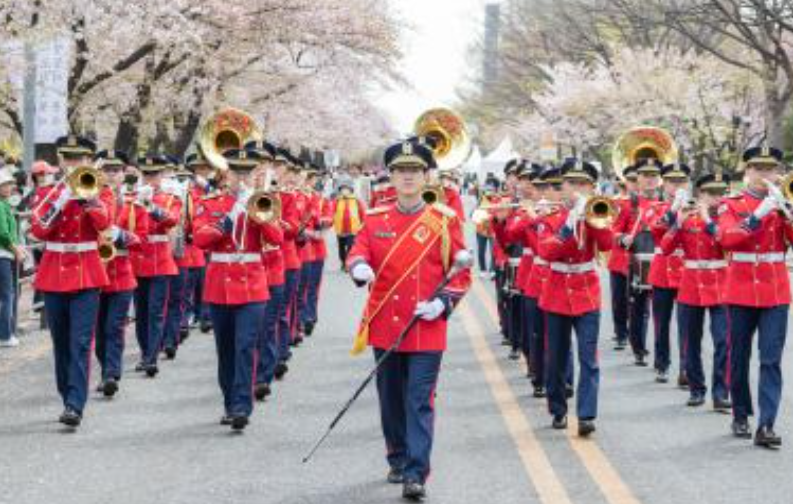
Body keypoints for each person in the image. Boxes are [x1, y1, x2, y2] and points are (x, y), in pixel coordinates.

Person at [346, 139, 470, 501]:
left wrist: (443, 304)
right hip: (386, 321)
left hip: (426, 325)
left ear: (427, 175)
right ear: (391, 176)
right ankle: (397, 457)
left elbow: (460, 271)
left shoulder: (443, 221)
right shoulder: (375, 218)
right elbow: (357, 251)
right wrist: (359, 266)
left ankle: (416, 472)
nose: (408, 178)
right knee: (391, 399)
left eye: (415, 171)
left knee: (419, 399)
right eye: (401, 171)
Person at [193, 148, 283, 431]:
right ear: (226, 174)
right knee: (226, 349)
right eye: (236, 172)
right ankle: (230, 403)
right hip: (220, 282)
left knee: (245, 346)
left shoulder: (262, 202)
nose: (241, 177)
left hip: (253, 284)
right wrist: (232, 214)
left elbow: (277, 238)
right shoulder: (210, 203)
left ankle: (242, 406)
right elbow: (201, 239)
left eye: (247, 172)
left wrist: (259, 213)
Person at [30, 134, 110, 427]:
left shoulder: (98, 190)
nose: (74, 163)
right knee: (61, 342)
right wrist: (61, 201)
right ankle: (67, 395)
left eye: (80, 158)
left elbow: (106, 225)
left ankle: (75, 404)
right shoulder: (48, 193)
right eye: (70, 158)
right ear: (62, 160)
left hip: (86, 273)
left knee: (79, 342)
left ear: (89, 161)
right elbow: (38, 231)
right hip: (54, 273)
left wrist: (89, 201)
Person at [717, 143, 793, 448]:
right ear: (747, 171)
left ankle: (766, 424)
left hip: (775, 289)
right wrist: (759, 215)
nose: (765, 174)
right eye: (758, 168)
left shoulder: (784, 201)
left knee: (771, 359)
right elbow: (727, 238)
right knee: (739, 356)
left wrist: (786, 212)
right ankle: (740, 413)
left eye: (770, 168)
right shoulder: (731, 203)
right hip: (740, 287)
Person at [537, 158, 612, 437]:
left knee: (588, 358)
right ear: (563, 186)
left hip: (586, 292)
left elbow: (607, 245)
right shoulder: (550, 218)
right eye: (573, 184)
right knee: (556, 357)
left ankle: (586, 414)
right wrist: (569, 224)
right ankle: (558, 408)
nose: (578, 190)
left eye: (584, 185)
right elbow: (547, 252)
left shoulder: (596, 215)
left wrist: (592, 220)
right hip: (556, 291)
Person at [659, 171, 730, 411]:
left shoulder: (727, 219)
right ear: (701, 194)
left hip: (721, 283)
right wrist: (678, 222)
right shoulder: (688, 218)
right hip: (690, 284)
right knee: (691, 341)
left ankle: (721, 392)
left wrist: (708, 221)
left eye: (721, 193)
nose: (716, 198)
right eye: (711, 193)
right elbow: (666, 248)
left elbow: (727, 244)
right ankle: (697, 389)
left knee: (723, 341)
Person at [94, 150, 148, 397]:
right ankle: (106, 367)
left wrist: (120, 235)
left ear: (124, 172)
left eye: (116, 170)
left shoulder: (133, 202)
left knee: (114, 326)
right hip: (95, 272)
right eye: (107, 170)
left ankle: (111, 374)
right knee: (98, 328)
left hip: (122, 272)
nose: (111, 174)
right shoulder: (91, 197)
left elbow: (142, 240)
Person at [130, 154, 181, 378]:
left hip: (160, 259)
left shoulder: (170, 198)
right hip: (138, 258)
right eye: (147, 174)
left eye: (155, 174)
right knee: (141, 312)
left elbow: (172, 220)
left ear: (161, 175)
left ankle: (152, 357)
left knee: (156, 311)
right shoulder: (131, 198)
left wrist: (150, 206)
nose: (151, 178)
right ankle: (144, 353)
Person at [612, 158, 662, 366]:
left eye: (653, 176)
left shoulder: (666, 203)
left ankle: (662, 355)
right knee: (638, 307)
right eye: (645, 176)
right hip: (635, 261)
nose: (649, 180)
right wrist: (624, 239)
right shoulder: (628, 205)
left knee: (660, 311)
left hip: (661, 262)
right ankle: (638, 347)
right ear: (637, 179)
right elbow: (614, 231)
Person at [647, 163, 691, 384]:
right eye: (672, 180)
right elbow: (656, 228)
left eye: (681, 180)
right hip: (663, 269)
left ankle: (686, 368)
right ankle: (662, 363)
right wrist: (673, 209)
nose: (677, 185)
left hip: (687, 271)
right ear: (664, 182)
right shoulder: (656, 207)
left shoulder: (695, 207)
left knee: (687, 324)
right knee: (661, 322)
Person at [606, 164, 637, 351]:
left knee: (639, 302)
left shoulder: (649, 202)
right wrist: (622, 237)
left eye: (636, 180)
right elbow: (611, 228)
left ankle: (636, 336)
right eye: (631, 180)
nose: (634, 184)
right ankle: (620, 332)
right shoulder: (617, 203)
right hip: (620, 257)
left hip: (639, 259)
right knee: (619, 300)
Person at [0, 168, 23, 348]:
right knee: (8, 296)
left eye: (9, 184)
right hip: (3, 255)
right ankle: (6, 334)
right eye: (4, 185)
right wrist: (16, 249)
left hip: (6, 253)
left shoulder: (5, 204)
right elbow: (3, 233)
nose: (8, 188)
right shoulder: (1, 205)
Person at [332, 176, 366, 270]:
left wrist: (363, 223)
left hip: (353, 229)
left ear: (351, 190)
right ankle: (343, 261)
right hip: (340, 229)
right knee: (341, 248)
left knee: (350, 247)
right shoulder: (337, 201)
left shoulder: (356, 201)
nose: (344, 191)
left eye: (346, 189)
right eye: (343, 189)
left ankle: (348, 263)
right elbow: (331, 212)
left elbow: (362, 213)